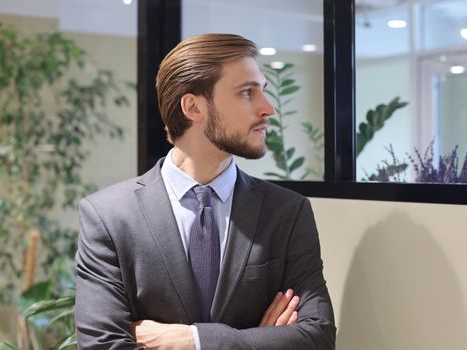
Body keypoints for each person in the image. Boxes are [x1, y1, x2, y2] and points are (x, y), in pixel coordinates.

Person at [75, 33, 336, 349]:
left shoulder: (287, 211)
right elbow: (102, 346)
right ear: (193, 107)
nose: (268, 109)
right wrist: (258, 340)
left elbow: (317, 338)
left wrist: (194, 341)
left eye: (262, 91)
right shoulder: (108, 216)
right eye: (246, 92)